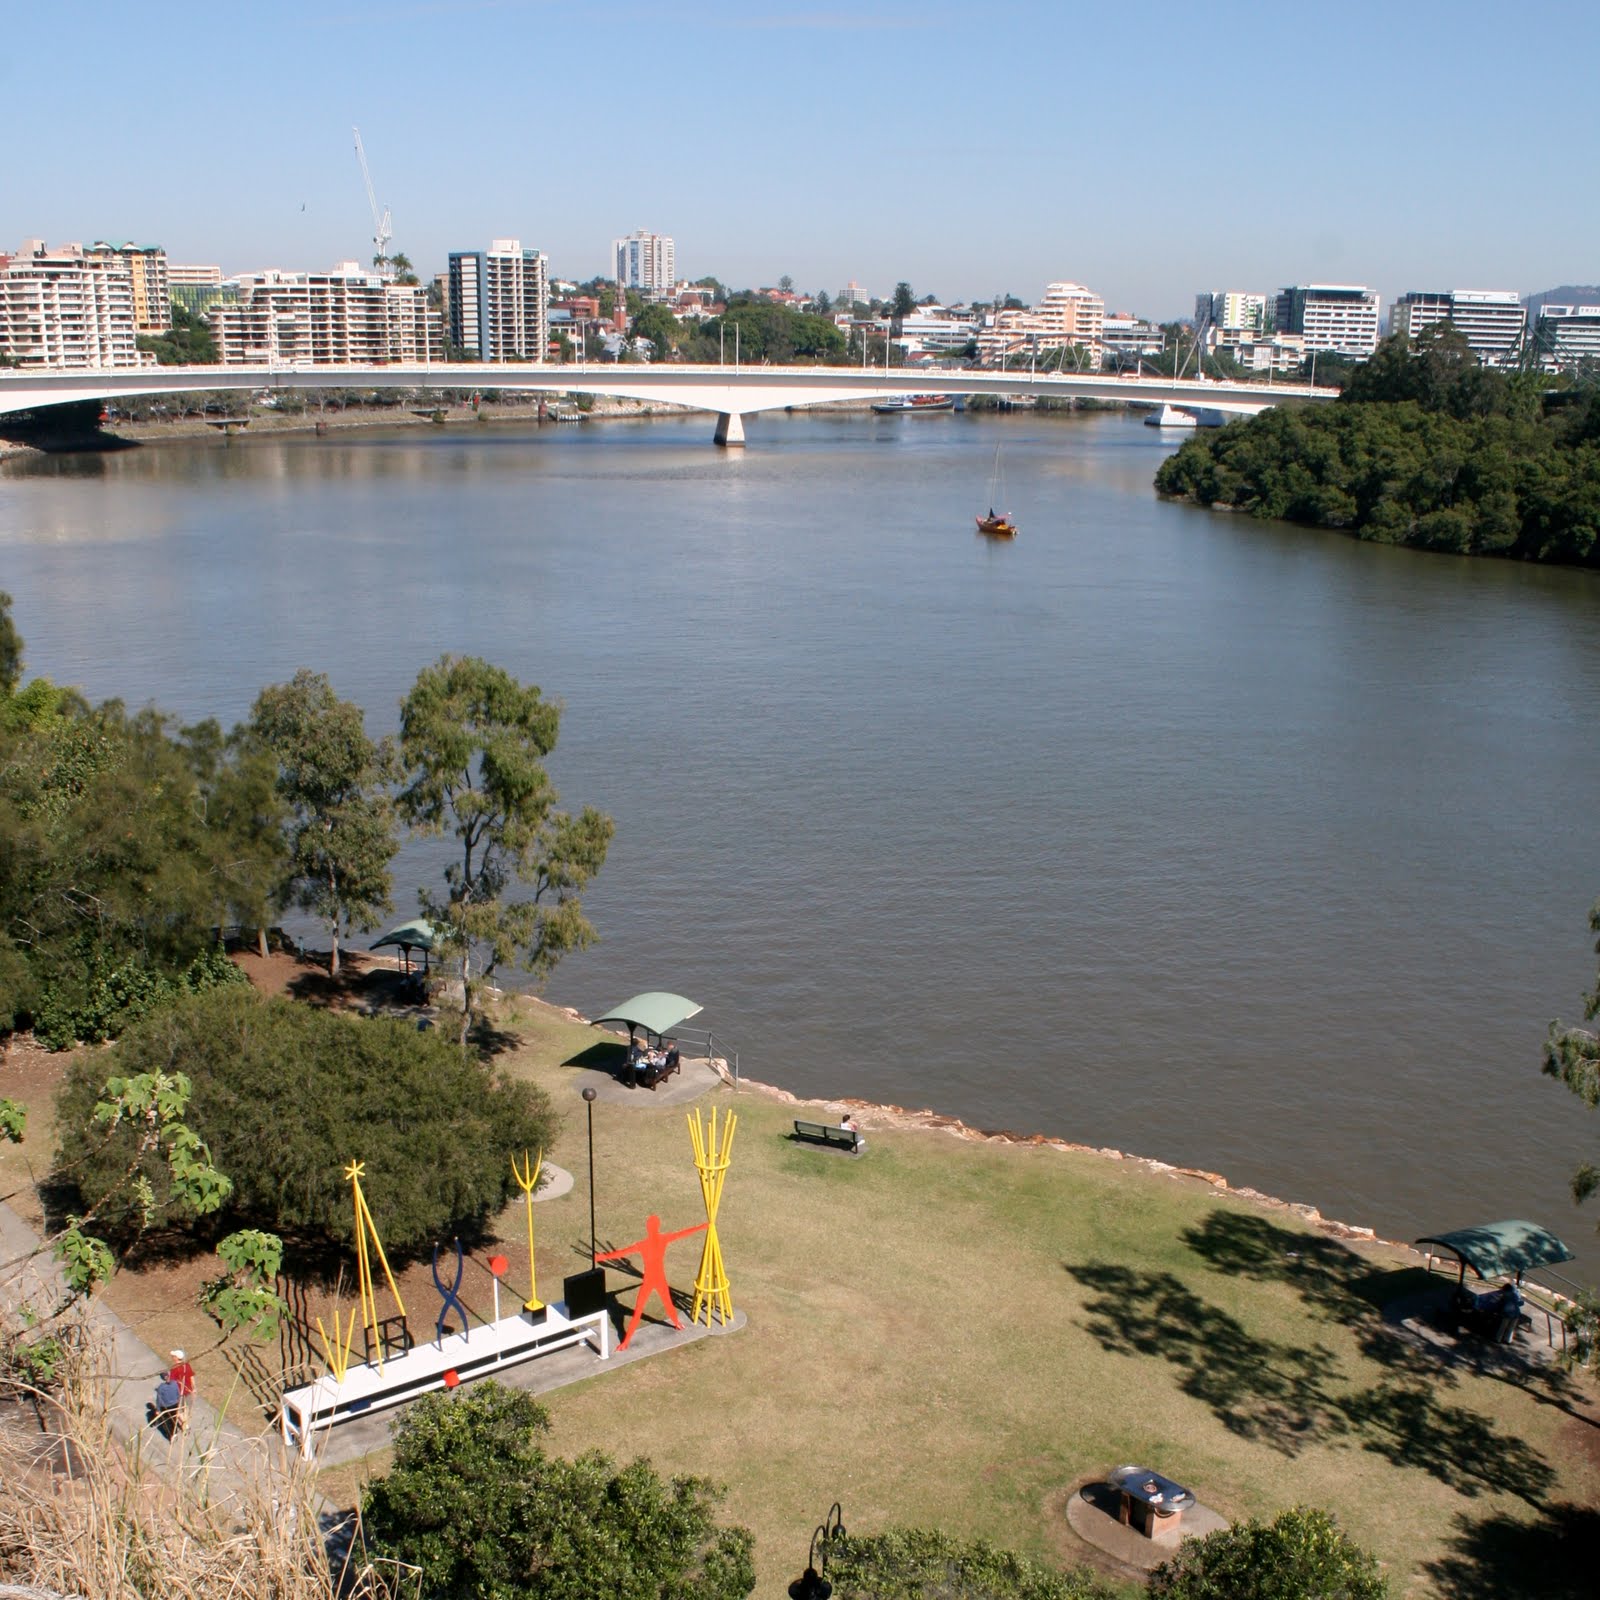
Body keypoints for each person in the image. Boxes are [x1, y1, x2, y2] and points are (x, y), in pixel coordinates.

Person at [165, 1348, 196, 1430]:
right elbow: (191, 1377)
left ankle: (185, 1425)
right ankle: (185, 1426)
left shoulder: (174, 1368)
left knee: (177, 1411)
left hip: (179, 1393)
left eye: (173, 1356)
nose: (172, 1357)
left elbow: (171, 1382)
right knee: (185, 1410)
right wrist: (194, 1388)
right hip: (189, 1391)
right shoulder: (187, 1365)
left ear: (176, 1358)